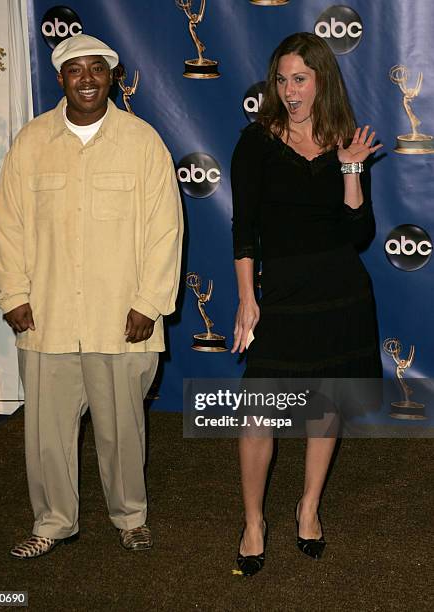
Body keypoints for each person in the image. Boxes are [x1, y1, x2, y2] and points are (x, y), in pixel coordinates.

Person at [0, 34, 183, 559]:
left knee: (123, 432)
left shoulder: (143, 143)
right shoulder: (31, 143)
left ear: (113, 77)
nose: (88, 79)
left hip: (122, 321)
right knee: (46, 436)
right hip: (46, 319)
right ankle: (53, 523)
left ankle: (131, 517)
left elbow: (166, 229)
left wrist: (149, 302)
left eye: (98, 69)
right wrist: (12, 294)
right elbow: (6, 226)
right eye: (77, 70)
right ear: (61, 79)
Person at [230, 32, 382, 576]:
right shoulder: (255, 143)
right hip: (283, 298)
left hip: (342, 295)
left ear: (322, 81)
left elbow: (359, 233)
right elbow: (243, 230)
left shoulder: (346, 138)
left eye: (300, 79)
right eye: (282, 79)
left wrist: (350, 170)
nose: (290, 91)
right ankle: (253, 521)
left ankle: (308, 507)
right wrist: (248, 300)